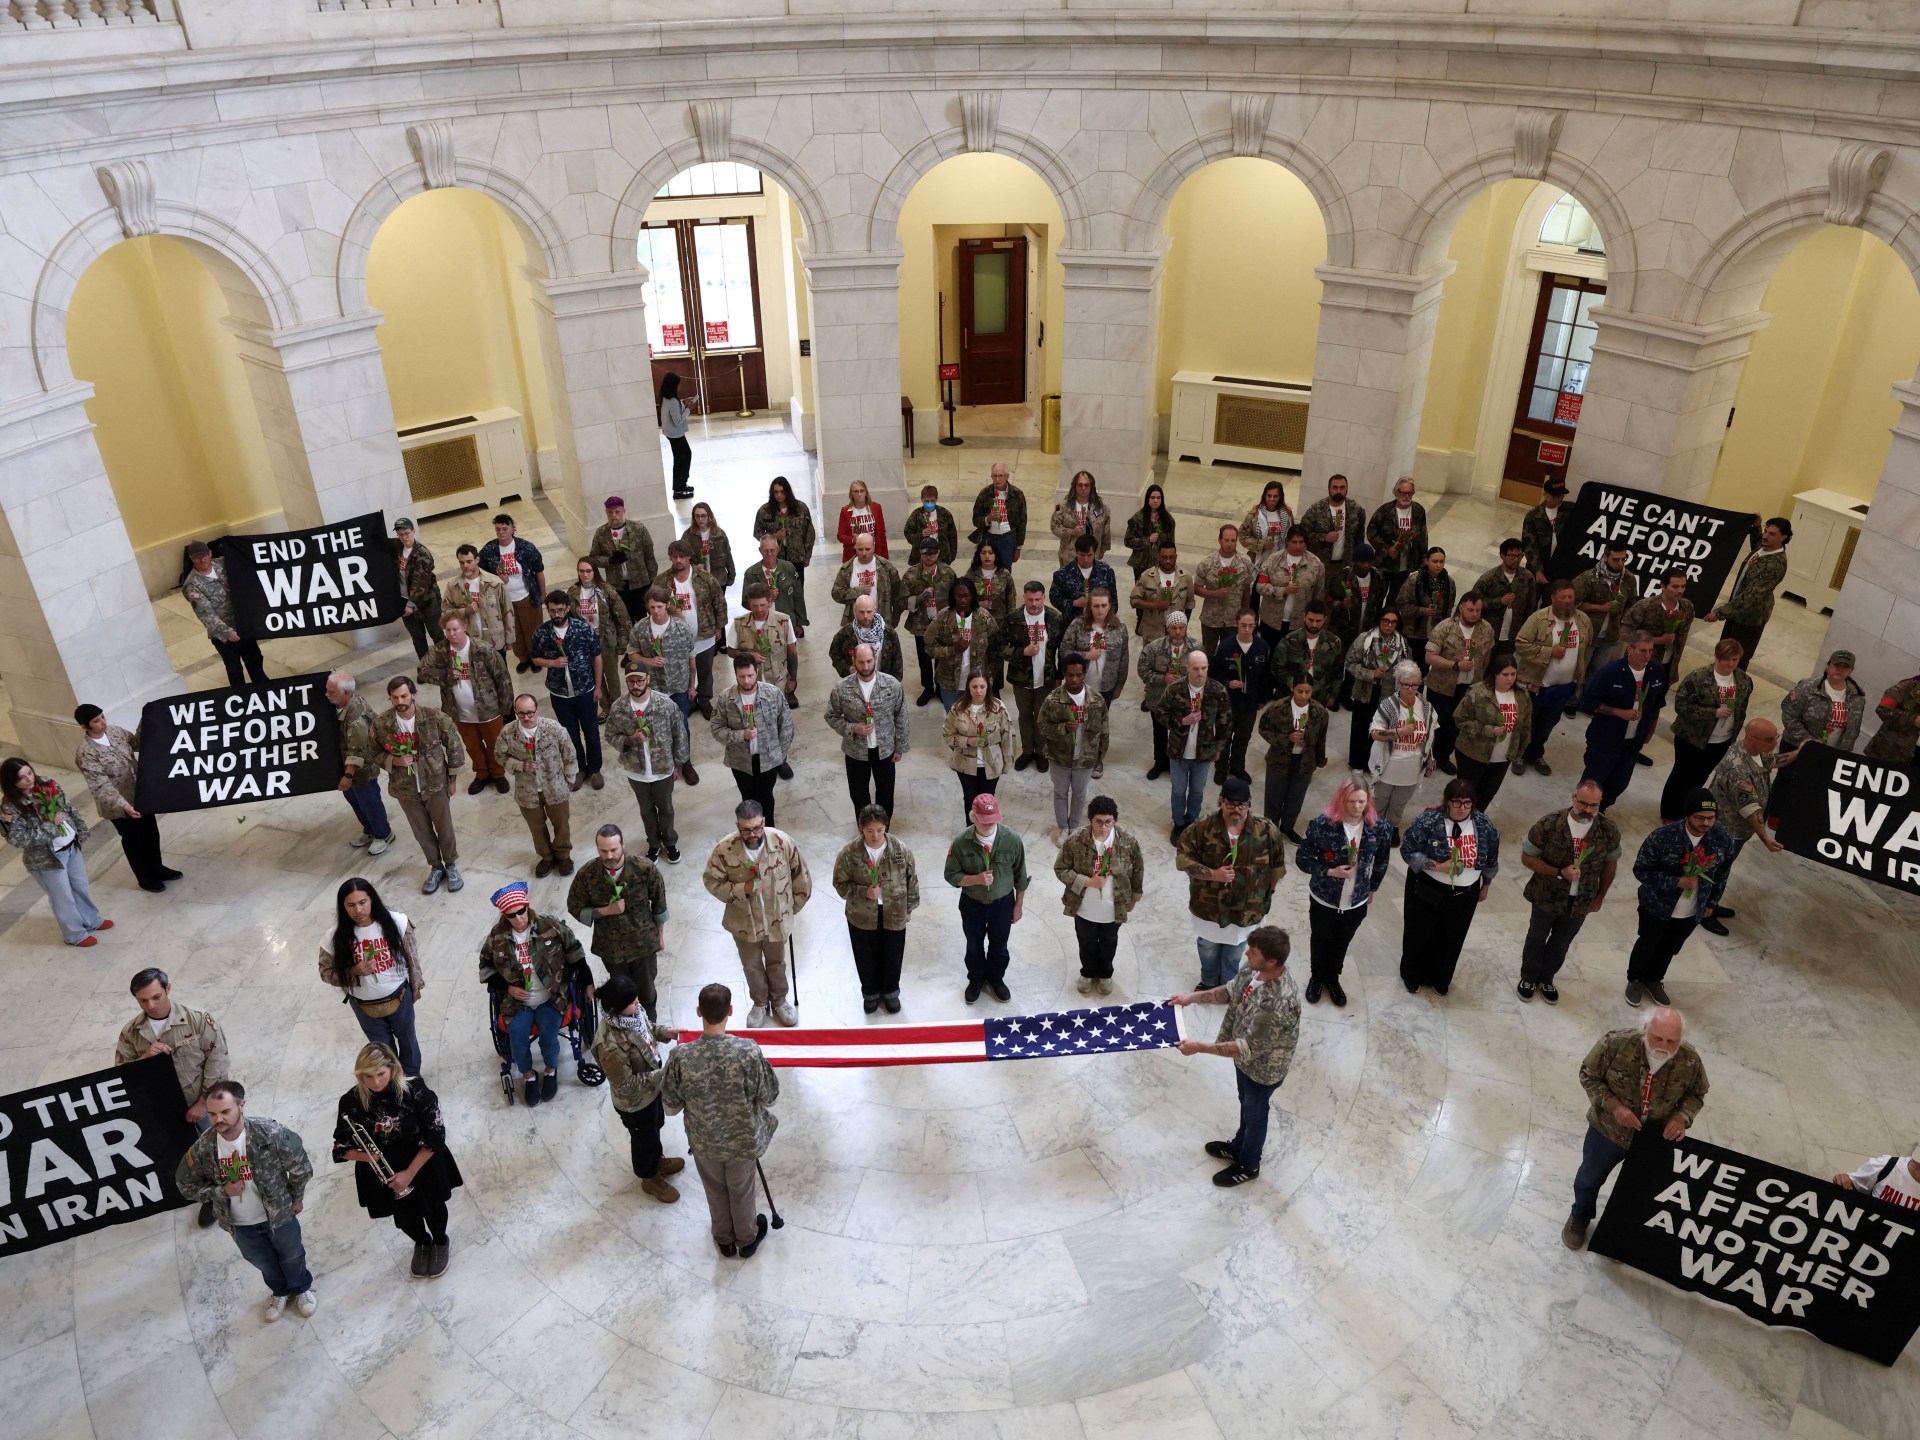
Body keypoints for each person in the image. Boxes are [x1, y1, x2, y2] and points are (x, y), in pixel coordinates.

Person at [1564, 1008, 1708, 1252]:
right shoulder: (1616, 1044)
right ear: (1645, 1029)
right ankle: (1580, 1217)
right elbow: (1588, 1075)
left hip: (1652, 1138)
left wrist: (1681, 1118)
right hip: (1608, 1130)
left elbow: (1697, 1093)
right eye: (1657, 1038)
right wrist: (1614, 1107)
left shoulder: (1690, 1060)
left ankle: (1616, 1229)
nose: (1663, 1046)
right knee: (1588, 1180)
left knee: (1636, 1190)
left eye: (1672, 1041)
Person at [174, 1080, 316, 1321]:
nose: (218, 1119)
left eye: (225, 1111)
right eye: (212, 1114)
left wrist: (297, 1197)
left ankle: (301, 1287)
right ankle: (280, 1291)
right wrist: (221, 1191)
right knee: (263, 1262)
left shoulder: (269, 1133)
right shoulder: (204, 1148)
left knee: (292, 1255)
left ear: (242, 1105)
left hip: (279, 1214)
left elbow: (300, 1167)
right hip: (240, 1224)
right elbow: (185, 1185)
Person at [1170, 925, 1300, 1188]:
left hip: (1262, 1069)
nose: (1246, 954)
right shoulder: (1254, 970)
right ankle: (1239, 1145)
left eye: (1253, 952)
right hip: (1245, 1062)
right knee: (1245, 1103)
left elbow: (1246, 1047)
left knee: (1255, 1114)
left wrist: (1198, 1047)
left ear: (1272, 961)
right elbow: (1229, 992)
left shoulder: (1277, 1003)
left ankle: (1249, 1165)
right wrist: (1190, 998)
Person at [661, 982, 780, 1258]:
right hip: (742, 1141)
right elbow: (770, 1096)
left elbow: (671, 1107)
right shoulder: (747, 1051)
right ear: (731, 1011)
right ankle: (746, 1238)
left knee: (715, 1189)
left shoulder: (681, 1056)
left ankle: (724, 1238)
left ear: (698, 1011)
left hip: (704, 1142)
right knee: (741, 1190)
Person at [332, 1043, 461, 1278]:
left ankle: (440, 1241)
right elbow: (340, 1147)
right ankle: (421, 1242)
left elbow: (435, 1133)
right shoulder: (350, 1101)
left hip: (421, 1160)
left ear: (392, 1068)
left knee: (432, 1207)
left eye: (380, 1074)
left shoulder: (414, 1089)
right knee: (404, 1216)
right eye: (368, 1076)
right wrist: (366, 1156)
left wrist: (409, 1174)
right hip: (384, 1168)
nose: (375, 1082)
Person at [115, 967, 228, 1227]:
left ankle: (225, 1192)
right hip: (163, 1107)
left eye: (156, 997)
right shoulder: (131, 1033)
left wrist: (204, 1102)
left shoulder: (198, 1020)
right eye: (143, 1000)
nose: (151, 1005)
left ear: (168, 988)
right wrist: (145, 1058)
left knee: (219, 1147)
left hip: (202, 1103)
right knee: (185, 1153)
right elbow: (122, 1076)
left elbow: (218, 1061)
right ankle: (207, 1192)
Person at [703, 801, 812, 1027]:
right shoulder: (725, 849)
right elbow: (712, 881)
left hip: (776, 920)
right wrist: (741, 889)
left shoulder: (782, 842)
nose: (752, 834)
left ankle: (780, 1000)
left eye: (756, 828)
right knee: (751, 965)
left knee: (777, 962)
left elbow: (801, 876)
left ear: (763, 822)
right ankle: (760, 1003)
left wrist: (791, 909)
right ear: (737, 826)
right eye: (745, 830)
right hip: (744, 922)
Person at [481, 880, 590, 1105]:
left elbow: (575, 953)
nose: (518, 918)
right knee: (517, 1039)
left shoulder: (550, 926)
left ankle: (551, 1071)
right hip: (516, 1003)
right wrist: (508, 987)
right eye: (511, 915)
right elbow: (485, 967)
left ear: (527, 907)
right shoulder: (496, 938)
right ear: (504, 916)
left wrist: (587, 982)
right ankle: (529, 1076)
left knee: (549, 1037)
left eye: (521, 911)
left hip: (552, 998)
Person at [1625, 789, 1736, 1007]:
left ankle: (1655, 979)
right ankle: (1636, 980)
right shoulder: (1663, 836)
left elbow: (1722, 874)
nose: (1706, 823)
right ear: (1688, 815)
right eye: (1700, 817)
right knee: (1648, 943)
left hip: (1692, 909)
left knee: (1670, 947)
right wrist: (1676, 882)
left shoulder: (1722, 840)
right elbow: (1641, 870)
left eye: (1711, 818)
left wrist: (1711, 903)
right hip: (1657, 905)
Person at [1175, 776, 1286, 989]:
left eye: (1241, 804)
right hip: (1209, 907)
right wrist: (1213, 874)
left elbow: (1277, 867)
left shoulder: (1266, 830)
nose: (1236, 810)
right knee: (1207, 947)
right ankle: (1208, 982)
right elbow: (1183, 860)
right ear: (1221, 801)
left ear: (1249, 802)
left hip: (1246, 909)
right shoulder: (1202, 827)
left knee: (1235, 951)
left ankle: (1227, 986)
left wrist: (1266, 895)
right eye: (1230, 804)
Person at [1518, 780, 1620, 1003]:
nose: (1587, 810)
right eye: (1583, 803)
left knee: (1562, 942)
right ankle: (1528, 977)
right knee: (1536, 937)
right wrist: (1558, 872)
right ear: (1574, 798)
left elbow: (1610, 865)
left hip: (1582, 899)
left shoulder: (1607, 830)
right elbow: (1528, 858)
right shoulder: (1550, 824)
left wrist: (1600, 897)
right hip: (1547, 894)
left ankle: (1547, 978)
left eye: (1593, 805)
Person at [1297, 774, 1394, 1005]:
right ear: (1341, 799)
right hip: (1325, 898)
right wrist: (1330, 871)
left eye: (1361, 801)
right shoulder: (1322, 825)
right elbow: (1302, 859)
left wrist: (1372, 888)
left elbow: (1382, 861)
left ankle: (1332, 977)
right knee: (1320, 938)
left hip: (1356, 900)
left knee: (1342, 941)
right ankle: (1316, 977)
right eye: (1352, 801)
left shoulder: (1379, 828)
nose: (1357, 807)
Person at [1397, 778, 1500, 995]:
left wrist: (1486, 885)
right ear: (1447, 801)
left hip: (1465, 893)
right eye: (1457, 802)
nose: (1462, 808)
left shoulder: (1484, 825)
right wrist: (1437, 866)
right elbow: (1408, 851)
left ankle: (1440, 977)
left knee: (1452, 937)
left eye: (1467, 803)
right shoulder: (1428, 820)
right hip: (1427, 888)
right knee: (1419, 933)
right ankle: (1412, 974)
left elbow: (1491, 858)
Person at [590, 972, 687, 1203]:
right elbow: (625, 1084)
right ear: (615, 1008)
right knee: (644, 1140)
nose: (638, 1003)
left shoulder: (632, 1013)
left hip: (652, 1090)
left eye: (636, 999)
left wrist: (665, 1032)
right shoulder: (610, 1045)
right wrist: (662, 1074)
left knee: (655, 1126)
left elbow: (647, 1028)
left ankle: (657, 1160)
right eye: (633, 1002)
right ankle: (649, 1178)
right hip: (634, 1103)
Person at [318, 875, 427, 1075]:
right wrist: (353, 971)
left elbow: (412, 958)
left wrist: (416, 986)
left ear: (372, 900)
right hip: (364, 1005)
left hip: (399, 996)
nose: (358, 910)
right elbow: (325, 972)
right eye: (351, 905)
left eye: (362, 902)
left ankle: (413, 1077)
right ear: (343, 907)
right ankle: (392, 1081)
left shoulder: (397, 922)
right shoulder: (334, 936)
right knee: (382, 1049)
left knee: (408, 1040)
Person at [1701, 717, 1799, 937]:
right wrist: (1765, 838)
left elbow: (1773, 760)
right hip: (1726, 831)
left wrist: (1799, 752)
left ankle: (1711, 904)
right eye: (1770, 739)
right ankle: (1704, 912)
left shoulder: (1753, 751)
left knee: (1721, 869)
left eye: (1775, 737)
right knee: (1714, 872)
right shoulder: (1738, 768)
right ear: (1753, 738)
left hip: (1738, 830)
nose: (1776, 743)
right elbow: (1750, 809)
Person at [0, 757, 110, 946]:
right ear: (12, 782)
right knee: (63, 898)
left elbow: (68, 808)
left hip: (71, 847)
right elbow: (18, 839)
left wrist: (81, 830)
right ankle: (75, 935)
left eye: (29, 772)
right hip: (47, 860)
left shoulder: (46, 784)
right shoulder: (9, 807)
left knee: (80, 887)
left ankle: (91, 920)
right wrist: (51, 825)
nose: (29, 778)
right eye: (22, 778)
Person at [370, 676, 464, 893]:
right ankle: (436, 867)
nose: (400, 701)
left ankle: (451, 865)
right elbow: (373, 753)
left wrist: (452, 779)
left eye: (404, 696)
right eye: (395, 697)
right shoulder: (382, 723)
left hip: (435, 784)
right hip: (405, 789)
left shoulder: (434, 717)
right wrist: (394, 760)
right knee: (421, 831)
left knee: (445, 829)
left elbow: (454, 746)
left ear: (413, 694)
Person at [73, 704, 179, 892]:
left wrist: (146, 721)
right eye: (96, 721)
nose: (103, 722)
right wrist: (125, 806)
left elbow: (138, 742)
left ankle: (158, 868)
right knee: (134, 841)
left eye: (103, 716)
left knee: (151, 833)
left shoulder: (115, 732)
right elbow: (101, 786)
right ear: (84, 726)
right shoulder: (86, 753)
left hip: (140, 794)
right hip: (119, 807)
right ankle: (146, 878)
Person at [568, 824, 670, 1018]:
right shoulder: (587, 874)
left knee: (647, 993)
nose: (609, 856)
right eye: (603, 851)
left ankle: (650, 1027)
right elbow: (574, 906)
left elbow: (659, 902)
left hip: (642, 944)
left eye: (614, 850)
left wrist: (660, 934)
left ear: (623, 845)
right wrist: (605, 911)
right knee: (622, 996)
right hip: (611, 947)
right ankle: (627, 1029)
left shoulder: (644, 868)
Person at [832, 804, 922, 1013]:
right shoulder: (849, 853)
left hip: (894, 910)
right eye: (869, 831)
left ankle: (891, 991)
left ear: (886, 827)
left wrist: (909, 908)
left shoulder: (900, 850)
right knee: (865, 955)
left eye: (879, 830)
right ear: (861, 829)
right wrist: (863, 892)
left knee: (893, 954)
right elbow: (839, 884)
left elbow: (912, 880)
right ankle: (870, 993)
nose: (875, 836)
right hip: (861, 914)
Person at [1055, 795, 1145, 996]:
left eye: (1108, 822)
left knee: (1109, 942)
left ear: (1115, 820)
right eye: (1098, 822)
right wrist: (1087, 881)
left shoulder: (1128, 842)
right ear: (1090, 820)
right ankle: (1087, 972)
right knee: (1086, 942)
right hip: (1084, 906)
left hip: (1114, 906)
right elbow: (1060, 868)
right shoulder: (1076, 840)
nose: (1104, 827)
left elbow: (1138, 869)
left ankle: (1105, 974)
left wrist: (1134, 897)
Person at [944, 793, 1029, 1003]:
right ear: (973, 817)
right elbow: (951, 875)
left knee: (999, 946)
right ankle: (976, 980)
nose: (989, 825)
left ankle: (996, 979)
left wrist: (1018, 905)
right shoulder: (961, 842)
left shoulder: (1012, 840)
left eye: (993, 820)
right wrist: (976, 879)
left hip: (1002, 904)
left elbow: (1020, 876)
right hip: (972, 904)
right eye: (984, 821)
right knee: (974, 946)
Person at [605, 658, 689, 864]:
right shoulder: (619, 707)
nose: (635, 686)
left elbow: (679, 734)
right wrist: (628, 739)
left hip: (662, 767)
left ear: (648, 679)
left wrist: (679, 763)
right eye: (631, 681)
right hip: (636, 770)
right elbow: (610, 735)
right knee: (646, 811)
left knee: (666, 809)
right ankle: (653, 844)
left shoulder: (664, 704)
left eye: (639, 681)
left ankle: (670, 842)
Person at [418, 613, 512, 795]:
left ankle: (498, 773)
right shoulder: (440, 650)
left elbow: (502, 677)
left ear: (465, 628)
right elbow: (422, 671)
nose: (451, 634)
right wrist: (445, 675)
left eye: (455, 629)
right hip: (460, 712)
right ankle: (482, 773)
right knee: (473, 746)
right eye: (448, 630)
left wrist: (506, 706)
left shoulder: (483, 649)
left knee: (495, 744)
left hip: (489, 709)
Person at [1513, 578, 1594, 776]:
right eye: (1563, 597)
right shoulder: (1539, 618)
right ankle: (1520, 754)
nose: (1567, 601)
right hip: (1537, 685)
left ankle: (1537, 753)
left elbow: (1587, 646)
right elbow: (1520, 644)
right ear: (1552, 598)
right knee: (1529, 722)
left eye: (1571, 597)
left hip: (1564, 687)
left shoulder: (1583, 620)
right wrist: (1549, 652)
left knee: (1548, 724)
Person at [1660, 638, 1749, 821]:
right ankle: (1669, 812)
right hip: (1692, 739)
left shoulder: (1743, 680)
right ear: (1717, 657)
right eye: (1726, 659)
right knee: (1681, 775)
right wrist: (1713, 712)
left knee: (1700, 777)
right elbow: (1682, 705)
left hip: (1721, 740)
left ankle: (1687, 811)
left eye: (1735, 659)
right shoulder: (1699, 677)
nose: (1731, 664)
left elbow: (1742, 708)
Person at [1581, 631, 1668, 810]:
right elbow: (1589, 702)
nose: (1647, 655)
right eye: (1642, 651)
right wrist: (1617, 712)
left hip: (1633, 741)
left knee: (1619, 782)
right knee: (1593, 782)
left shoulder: (1657, 672)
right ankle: (1582, 811)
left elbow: (1657, 703)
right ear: (1630, 648)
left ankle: (1602, 809)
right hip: (1606, 738)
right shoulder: (1610, 672)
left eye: (1651, 651)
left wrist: (1651, 727)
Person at [495, 693, 578, 875]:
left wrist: (569, 781)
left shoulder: (554, 729)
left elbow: (570, 755)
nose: (526, 718)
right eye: (521, 713)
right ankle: (546, 856)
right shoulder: (507, 733)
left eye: (530, 713)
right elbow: (499, 756)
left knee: (562, 824)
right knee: (536, 827)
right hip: (527, 790)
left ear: (537, 710)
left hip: (555, 787)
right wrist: (519, 765)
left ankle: (563, 855)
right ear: (515, 712)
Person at [826, 638, 909, 818]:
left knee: (886, 794)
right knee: (858, 795)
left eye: (869, 661)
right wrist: (852, 728)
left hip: (885, 750)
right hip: (856, 751)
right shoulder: (842, 689)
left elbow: (901, 715)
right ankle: (864, 827)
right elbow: (831, 715)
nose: (865, 666)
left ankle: (883, 828)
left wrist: (900, 746)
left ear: (875, 658)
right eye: (861, 662)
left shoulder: (891, 685)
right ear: (853, 661)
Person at [531, 589, 605, 787]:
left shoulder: (583, 629)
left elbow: (597, 657)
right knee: (570, 734)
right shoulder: (542, 633)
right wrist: (552, 663)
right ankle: (579, 769)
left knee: (591, 732)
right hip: (560, 693)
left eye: (560, 610)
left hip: (585, 690)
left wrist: (598, 687)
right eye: (552, 611)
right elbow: (535, 658)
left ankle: (595, 769)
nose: (557, 614)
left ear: (568, 608)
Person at [711, 654, 793, 825]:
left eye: (750, 675)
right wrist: (741, 735)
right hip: (741, 762)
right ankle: (750, 831)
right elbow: (716, 729)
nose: (747, 681)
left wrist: (780, 754)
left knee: (766, 799)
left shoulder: (772, 694)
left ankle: (768, 831)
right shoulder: (726, 699)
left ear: (757, 672)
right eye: (742, 676)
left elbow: (786, 725)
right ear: (735, 674)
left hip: (768, 760)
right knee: (748, 800)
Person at [1160, 649, 1231, 844]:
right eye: (1196, 669)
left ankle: (1191, 822)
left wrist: (1218, 748)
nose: (1200, 673)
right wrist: (1182, 721)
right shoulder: (1175, 689)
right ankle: (1178, 823)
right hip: (1178, 750)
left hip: (1204, 752)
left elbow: (1225, 723)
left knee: (1197, 791)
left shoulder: (1218, 691)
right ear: (1187, 668)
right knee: (1178, 790)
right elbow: (1161, 714)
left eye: (1204, 668)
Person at [1037, 653, 1109, 838]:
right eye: (1070, 675)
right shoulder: (1053, 700)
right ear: (1064, 674)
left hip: (1085, 759)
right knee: (1060, 793)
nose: (1074, 679)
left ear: (1084, 673)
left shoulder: (1096, 700)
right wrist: (1063, 728)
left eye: (1079, 674)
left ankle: (1074, 827)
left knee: (1079, 794)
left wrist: (1098, 757)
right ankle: (1063, 828)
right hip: (1059, 757)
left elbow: (1104, 731)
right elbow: (1042, 726)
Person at [1705, 515, 1791, 669]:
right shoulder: (1764, 547)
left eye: (1772, 534)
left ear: (1783, 537)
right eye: (1765, 531)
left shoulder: (1775, 565)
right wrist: (1757, 526)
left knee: (1737, 657)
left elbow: (1752, 596)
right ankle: (1718, 673)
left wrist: (1719, 613)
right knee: (1725, 649)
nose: (1765, 536)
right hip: (1736, 609)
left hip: (1749, 617)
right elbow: (1757, 542)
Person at [181, 540, 268, 687]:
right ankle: (241, 695)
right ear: (191, 559)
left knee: (254, 658)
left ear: (210, 553)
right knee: (234, 668)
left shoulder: (223, 563)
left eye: (204, 555)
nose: (202, 560)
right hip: (223, 635)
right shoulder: (193, 585)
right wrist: (226, 631)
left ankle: (262, 687)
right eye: (197, 557)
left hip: (242, 624)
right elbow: (205, 613)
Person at [1423, 592, 1493, 773]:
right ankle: (1425, 756)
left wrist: (1482, 678)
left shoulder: (1485, 628)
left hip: (1468, 688)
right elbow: (1430, 657)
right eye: (1471, 610)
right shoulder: (1445, 627)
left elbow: (1487, 655)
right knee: (1435, 723)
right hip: (1441, 687)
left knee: (1455, 725)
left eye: (1478, 610)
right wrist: (1455, 665)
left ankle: (1443, 756)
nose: (1475, 614)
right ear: (1461, 607)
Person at [328, 671, 398, 850]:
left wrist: (347, 776)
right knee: (355, 800)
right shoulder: (345, 702)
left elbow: (357, 752)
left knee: (369, 802)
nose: (327, 694)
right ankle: (369, 830)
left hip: (361, 771)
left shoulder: (356, 719)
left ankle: (383, 834)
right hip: (346, 764)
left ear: (345, 693)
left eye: (331, 692)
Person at [657, 540, 727, 718]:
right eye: (674, 557)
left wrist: (719, 627)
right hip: (675, 638)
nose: (678, 560)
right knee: (682, 670)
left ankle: (704, 699)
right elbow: (654, 605)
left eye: (682, 557)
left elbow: (719, 601)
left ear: (689, 557)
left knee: (705, 670)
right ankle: (688, 700)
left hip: (704, 634)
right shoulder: (662, 581)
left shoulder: (705, 578)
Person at [1452, 657, 1531, 811]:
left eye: (1513, 674)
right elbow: (1460, 718)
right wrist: (1487, 730)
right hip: (1473, 754)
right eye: (1505, 674)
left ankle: (1477, 820)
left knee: (1487, 794)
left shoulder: (1522, 695)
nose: (1510, 679)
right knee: (1464, 795)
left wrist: (1519, 750)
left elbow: (1526, 725)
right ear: (1495, 674)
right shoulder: (1478, 692)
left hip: (1502, 758)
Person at [1258, 673, 1329, 843]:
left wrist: (1320, 760)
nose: (1303, 696)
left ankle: (1287, 827)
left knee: (1295, 798)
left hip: (1305, 761)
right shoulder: (1278, 708)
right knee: (1274, 797)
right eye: (1300, 691)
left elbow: (1322, 738)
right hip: (1279, 760)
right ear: (1292, 688)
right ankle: (1271, 830)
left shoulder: (1319, 712)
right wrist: (1286, 738)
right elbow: (1263, 728)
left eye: (1307, 692)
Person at [1001, 580, 1062, 772]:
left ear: (1044, 597)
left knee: (1042, 717)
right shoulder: (1013, 618)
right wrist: (1021, 652)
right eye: (1030, 600)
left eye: (1037, 599)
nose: (1034, 604)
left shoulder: (1055, 618)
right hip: (1021, 679)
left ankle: (1041, 752)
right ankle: (1027, 750)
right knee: (1025, 715)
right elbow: (998, 647)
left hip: (1046, 678)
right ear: (1024, 598)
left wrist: (1059, 675)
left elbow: (1062, 649)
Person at [1367, 660, 1435, 830]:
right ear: (1398, 683)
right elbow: (1375, 733)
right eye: (1406, 685)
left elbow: (1430, 736)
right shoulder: (1388, 706)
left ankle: (1393, 827)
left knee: (1399, 803)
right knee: (1380, 801)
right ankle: (1376, 828)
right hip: (1388, 766)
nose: (1411, 689)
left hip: (1411, 769)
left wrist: (1429, 759)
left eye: (1415, 685)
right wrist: (1399, 732)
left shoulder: (1426, 707)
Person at [629, 586, 700, 746]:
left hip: (678, 687)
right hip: (653, 688)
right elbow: (632, 653)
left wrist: (691, 686)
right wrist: (647, 661)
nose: (656, 611)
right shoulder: (640, 628)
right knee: (656, 727)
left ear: (667, 604)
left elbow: (691, 658)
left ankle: (684, 758)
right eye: (652, 607)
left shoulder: (681, 627)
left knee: (681, 725)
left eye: (659, 607)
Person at [1139, 607, 1203, 782]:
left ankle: (1178, 764)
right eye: (1174, 628)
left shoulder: (1196, 648)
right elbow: (1143, 670)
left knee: (1181, 733)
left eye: (1181, 628)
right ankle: (1159, 763)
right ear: (1167, 628)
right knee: (1159, 733)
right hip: (1159, 700)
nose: (1178, 632)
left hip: (1184, 701)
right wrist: (1163, 678)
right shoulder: (1154, 648)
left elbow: (1202, 672)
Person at [943, 670, 1015, 822]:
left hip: (991, 765)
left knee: (987, 802)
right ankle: (970, 830)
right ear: (968, 688)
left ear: (988, 687)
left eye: (982, 686)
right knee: (970, 800)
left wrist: (1007, 762)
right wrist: (967, 741)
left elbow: (1007, 737)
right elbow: (948, 735)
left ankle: (986, 829)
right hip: (966, 766)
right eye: (974, 687)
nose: (978, 691)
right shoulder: (958, 709)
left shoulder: (998, 708)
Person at [478, 513, 546, 674]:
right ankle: (523, 658)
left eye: (504, 528)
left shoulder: (526, 547)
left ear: (513, 529)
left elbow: (539, 571)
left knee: (532, 630)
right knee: (513, 632)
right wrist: (496, 578)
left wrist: (543, 593)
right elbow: (480, 573)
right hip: (503, 601)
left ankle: (535, 658)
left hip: (526, 596)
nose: (501, 532)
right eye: (498, 529)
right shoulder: (489, 550)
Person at [1342, 607, 1407, 771]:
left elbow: (1407, 667)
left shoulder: (1402, 644)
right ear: (1379, 620)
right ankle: (1357, 763)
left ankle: (1373, 762)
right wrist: (1371, 674)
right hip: (1365, 691)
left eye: (1393, 622)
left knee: (1379, 729)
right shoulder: (1365, 639)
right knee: (1360, 728)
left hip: (1388, 693)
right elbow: (1349, 663)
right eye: (1386, 621)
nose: (1389, 625)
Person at [1212, 608, 1271, 785]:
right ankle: (1221, 768)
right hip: (1228, 703)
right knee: (1224, 737)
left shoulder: (1262, 647)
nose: (1247, 630)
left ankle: (1237, 767)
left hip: (1250, 704)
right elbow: (1214, 673)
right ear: (1236, 624)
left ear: (1256, 625)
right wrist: (1227, 682)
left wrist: (1262, 699)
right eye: (1243, 625)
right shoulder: (1225, 647)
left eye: (1250, 626)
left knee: (1243, 738)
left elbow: (1266, 675)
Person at [751, 477, 817, 625]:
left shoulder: (800, 508)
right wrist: (774, 537)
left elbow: (809, 533)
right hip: (776, 559)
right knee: (777, 590)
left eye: (782, 491)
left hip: (796, 557)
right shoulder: (765, 511)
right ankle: (779, 622)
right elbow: (757, 532)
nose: (779, 495)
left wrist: (807, 555)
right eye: (776, 492)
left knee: (796, 590)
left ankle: (798, 622)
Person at [569, 557, 633, 704]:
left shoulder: (606, 590)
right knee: (596, 675)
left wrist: (623, 641)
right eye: (581, 571)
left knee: (612, 675)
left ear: (595, 571)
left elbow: (622, 616)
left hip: (606, 639)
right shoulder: (573, 592)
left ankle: (616, 704)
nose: (585, 574)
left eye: (588, 571)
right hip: (585, 641)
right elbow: (570, 618)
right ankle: (604, 705)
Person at [904, 537, 959, 705]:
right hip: (921, 623)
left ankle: (940, 688)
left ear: (938, 553)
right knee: (924, 658)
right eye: (925, 554)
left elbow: (956, 597)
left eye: (932, 553)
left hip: (942, 624)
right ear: (920, 554)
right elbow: (901, 600)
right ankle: (928, 687)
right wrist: (920, 598)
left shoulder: (948, 573)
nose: (929, 557)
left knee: (942, 657)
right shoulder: (911, 575)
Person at [729, 583, 798, 714]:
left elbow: (792, 652)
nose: (759, 609)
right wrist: (749, 656)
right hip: (751, 683)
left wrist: (793, 679)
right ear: (749, 604)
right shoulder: (739, 623)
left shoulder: (783, 621)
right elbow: (730, 651)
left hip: (778, 680)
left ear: (769, 602)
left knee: (779, 713)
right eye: (755, 606)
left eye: (763, 605)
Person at [1573, 542, 1641, 675]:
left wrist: (1622, 620)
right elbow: (1573, 604)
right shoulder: (1589, 578)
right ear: (1605, 557)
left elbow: (1631, 603)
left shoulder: (1629, 579)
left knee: (1598, 674)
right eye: (1616, 559)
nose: (1620, 563)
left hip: (1609, 636)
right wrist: (1600, 608)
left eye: (1624, 559)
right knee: (1578, 673)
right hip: (1586, 635)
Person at [1060, 586, 1128, 720]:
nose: (1100, 610)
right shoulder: (1077, 625)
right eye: (1096, 606)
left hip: (1107, 686)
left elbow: (1124, 660)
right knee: (1077, 721)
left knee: (1100, 722)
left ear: (1110, 606)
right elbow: (1064, 651)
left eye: (1104, 605)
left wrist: (1119, 686)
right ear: (1089, 607)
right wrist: (1086, 655)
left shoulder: (1120, 629)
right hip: (1080, 685)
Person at [589, 495, 660, 622]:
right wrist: (610, 561)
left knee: (642, 617)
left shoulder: (638, 529)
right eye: (610, 512)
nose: (614, 515)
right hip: (617, 585)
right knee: (622, 618)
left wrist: (652, 580)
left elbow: (649, 556)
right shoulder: (601, 533)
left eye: (617, 512)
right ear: (606, 512)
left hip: (640, 583)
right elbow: (593, 558)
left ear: (623, 511)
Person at [929, 575, 994, 710]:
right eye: (959, 596)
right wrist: (954, 649)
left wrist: (990, 676)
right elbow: (930, 647)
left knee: (976, 717)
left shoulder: (984, 617)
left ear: (973, 596)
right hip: (949, 682)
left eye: (966, 596)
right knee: (953, 717)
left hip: (977, 682)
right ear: (953, 597)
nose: (963, 600)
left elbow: (995, 646)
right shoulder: (943, 617)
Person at [442, 543, 517, 660]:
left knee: (499, 670)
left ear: (477, 560)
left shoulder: (495, 583)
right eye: (461, 562)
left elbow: (507, 610)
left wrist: (509, 638)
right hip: (469, 641)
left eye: (469, 561)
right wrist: (464, 611)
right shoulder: (453, 586)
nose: (465, 566)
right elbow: (445, 613)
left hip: (494, 640)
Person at [1779, 649, 1865, 751]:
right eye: (1836, 665)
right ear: (1828, 665)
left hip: (1832, 752)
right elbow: (1788, 715)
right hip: (1798, 747)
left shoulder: (1857, 695)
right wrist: (1809, 741)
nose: (1840, 669)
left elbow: (1854, 729)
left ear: (1851, 670)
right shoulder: (1807, 687)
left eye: (1845, 667)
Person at [1469, 537, 1537, 666]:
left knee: (1503, 667)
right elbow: (1473, 603)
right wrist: (1499, 601)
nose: (1516, 559)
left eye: (1519, 556)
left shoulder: (1528, 578)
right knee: (1484, 667)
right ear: (1502, 555)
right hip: (1490, 633)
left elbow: (1530, 606)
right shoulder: (1488, 579)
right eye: (1511, 556)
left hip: (1513, 634)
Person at [1253, 528, 1322, 652]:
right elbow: (1260, 586)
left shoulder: (1316, 564)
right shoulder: (1273, 560)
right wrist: (1282, 591)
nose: (1298, 546)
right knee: (1269, 654)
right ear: (1287, 542)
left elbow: (1319, 595)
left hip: (1298, 624)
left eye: (1301, 542)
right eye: (1294, 542)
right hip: (1272, 621)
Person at [1622, 566, 1694, 675]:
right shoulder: (1644, 607)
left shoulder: (1687, 607)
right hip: (1640, 664)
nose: (1680, 591)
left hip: (1668, 667)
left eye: (1683, 586)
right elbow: (1623, 634)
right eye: (1675, 586)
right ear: (1663, 586)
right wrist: (1657, 640)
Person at [1270, 601, 1341, 708]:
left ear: (1325, 619)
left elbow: (1338, 672)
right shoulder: (1289, 640)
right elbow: (1276, 666)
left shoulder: (1334, 642)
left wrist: (1333, 695)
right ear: (1304, 616)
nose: (1314, 625)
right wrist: (1293, 683)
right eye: (1311, 620)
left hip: (1319, 697)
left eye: (1318, 621)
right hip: (1292, 696)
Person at [1193, 524, 1250, 654]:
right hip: (1211, 619)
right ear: (1219, 540)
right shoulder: (1207, 563)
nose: (1229, 544)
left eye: (1233, 540)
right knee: (1208, 654)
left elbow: (1246, 590)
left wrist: (1244, 614)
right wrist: (1214, 593)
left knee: (1228, 655)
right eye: (1226, 540)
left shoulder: (1245, 562)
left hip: (1233, 620)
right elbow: (1196, 589)